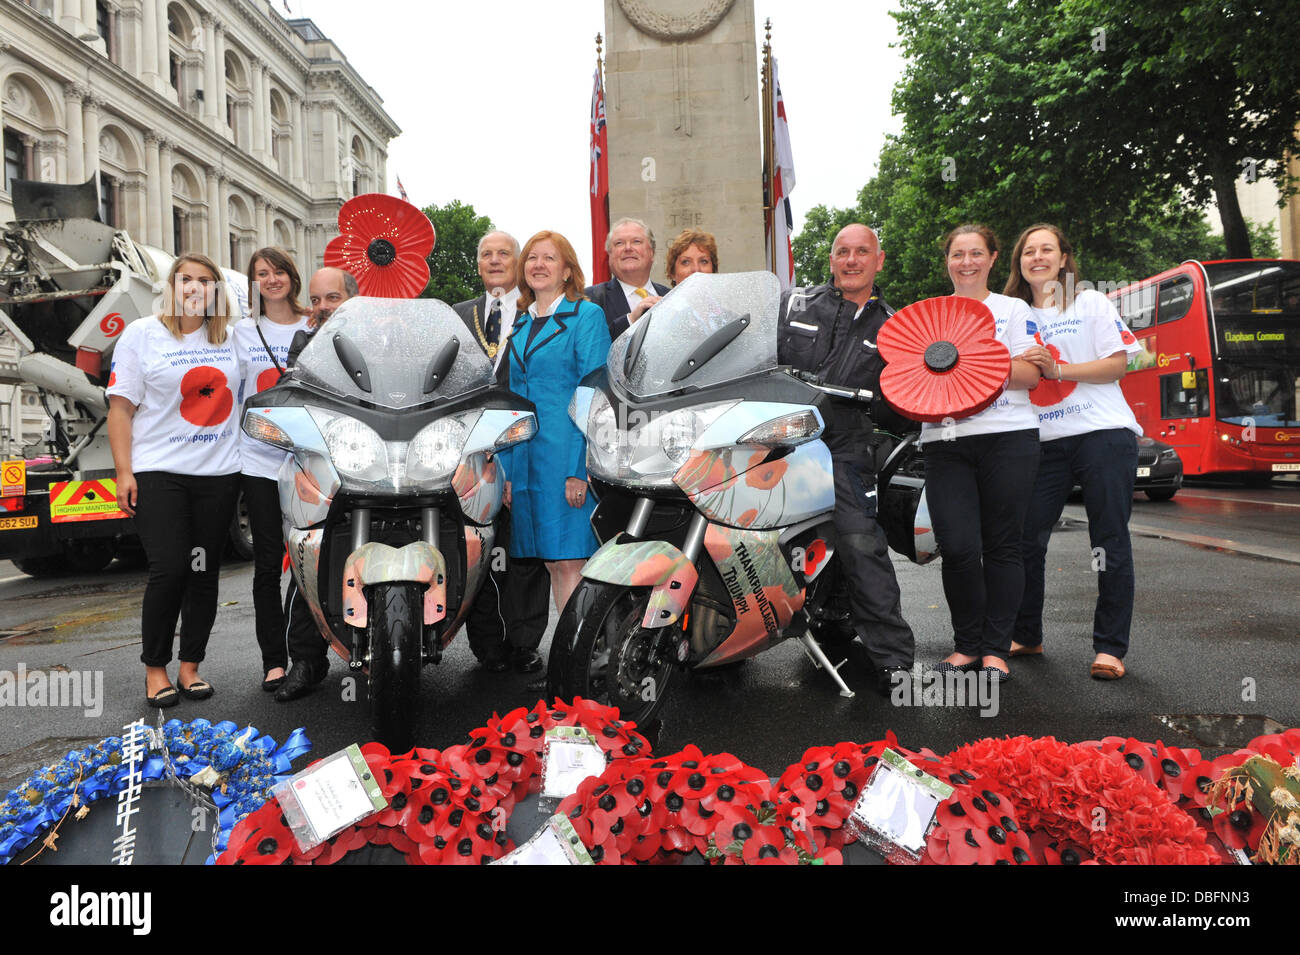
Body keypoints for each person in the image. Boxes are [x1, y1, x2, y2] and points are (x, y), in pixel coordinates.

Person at [777, 223, 916, 695]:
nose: (851, 260)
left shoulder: (898, 328)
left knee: (859, 540)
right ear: (832, 260)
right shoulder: (793, 305)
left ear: (879, 260)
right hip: (776, 434)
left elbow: (904, 406)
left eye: (862, 252)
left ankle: (893, 658)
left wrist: (886, 402)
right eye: (843, 252)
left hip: (846, 443)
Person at [1006, 223, 1142, 680]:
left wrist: (1058, 369)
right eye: (1029, 251)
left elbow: (1118, 364)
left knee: (1109, 540)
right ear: (1019, 262)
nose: (1038, 257)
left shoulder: (1089, 301)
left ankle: (1109, 649)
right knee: (1026, 540)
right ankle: (1026, 635)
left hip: (1103, 434)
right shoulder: (1012, 313)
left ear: (1064, 258)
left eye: (1047, 249)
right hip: (1041, 442)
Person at [107, 252, 241, 708]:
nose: (195, 287)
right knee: (170, 569)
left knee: (203, 572)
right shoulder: (142, 335)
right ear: (171, 286)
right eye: (186, 279)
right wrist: (124, 471)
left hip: (218, 474)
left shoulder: (232, 338)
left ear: (216, 290)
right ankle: (155, 668)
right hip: (158, 472)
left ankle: (190, 667)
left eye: (206, 280)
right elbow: (121, 409)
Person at [921, 225, 1040, 683]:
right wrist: (990, 363)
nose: (965, 262)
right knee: (959, 548)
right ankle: (966, 645)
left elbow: (1028, 375)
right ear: (947, 261)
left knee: (1004, 547)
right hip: (944, 442)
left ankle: (994, 650)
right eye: (957, 254)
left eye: (975, 253)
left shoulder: (1013, 309)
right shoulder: (931, 315)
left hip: (1008, 436)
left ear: (993, 259)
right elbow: (910, 375)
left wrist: (954, 361)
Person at [452, 231, 550, 674]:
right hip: (470, 451)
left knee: (523, 548)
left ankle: (523, 640)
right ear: (478, 264)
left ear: (518, 262)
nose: (494, 260)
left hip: (523, 445)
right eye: (486, 254)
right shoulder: (458, 316)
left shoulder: (540, 312)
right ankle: (487, 644)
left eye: (503, 253)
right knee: (477, 545)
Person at [503, 230, 611, 621]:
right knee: (551, 564)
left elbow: (594, 394)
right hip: (529, 463)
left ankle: (574, 669)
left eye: (549, 258)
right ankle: (569, 666)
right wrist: (510, 474)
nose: (538, 264)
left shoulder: (586, 315)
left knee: (570, 564)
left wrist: (579, 470)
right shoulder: (521, 325)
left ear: (567, 271)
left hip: (566, 457)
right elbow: (517, 406)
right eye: (532, 257)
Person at [274, 265, 358, 702]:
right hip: (321, 468)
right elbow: (291, 396)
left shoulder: (380, 341)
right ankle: (306, 661)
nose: (324, 307)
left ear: (353, 299)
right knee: (309, 558)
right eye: (318, 299)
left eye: (333, 297)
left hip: (375, 463)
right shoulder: (303, 343)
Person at [232, 247, 311, 693]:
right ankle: (273, 661)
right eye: (262, 273)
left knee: (309, 561)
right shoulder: (241, 332)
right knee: (267, 565)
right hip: (257, 461)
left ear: (292, 275)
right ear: (254, 282)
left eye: (279, 270)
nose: (272, 279)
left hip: (305, 462)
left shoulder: (314, 325)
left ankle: (308, 655)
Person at [584, 218, 670, 340]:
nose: (628, 248)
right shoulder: (588, 299)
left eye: (636, 241)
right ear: (609, 255)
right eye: (619, 243)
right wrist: (630, 320)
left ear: (652, 252)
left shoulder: (672, 296)